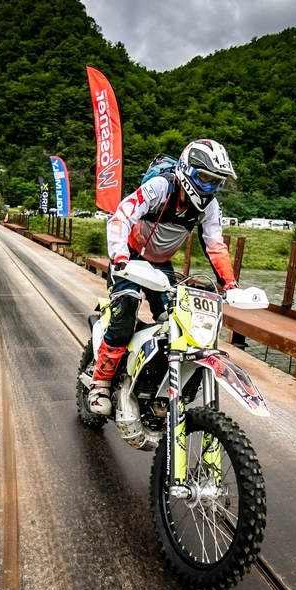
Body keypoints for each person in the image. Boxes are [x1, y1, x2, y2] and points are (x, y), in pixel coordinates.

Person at [89, 139, 239, 415]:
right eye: (204, 179)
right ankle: (101, 383)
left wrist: (229, 283)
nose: (209, 188)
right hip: (131, 257)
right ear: (186, 171)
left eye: (216, 182)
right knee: (126, 311)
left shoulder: (210, 206)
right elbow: (122, 216)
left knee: (177, 324)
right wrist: (119, 257)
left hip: (161, 264)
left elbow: (215, 244)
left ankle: (158, 386)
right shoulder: (160, 187)